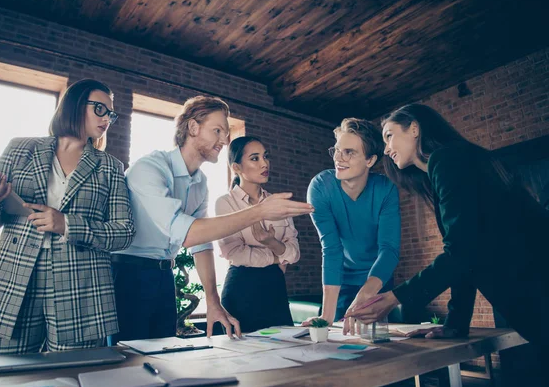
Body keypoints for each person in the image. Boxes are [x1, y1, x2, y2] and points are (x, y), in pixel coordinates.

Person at [348, 103, 549, 387]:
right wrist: (455, 324)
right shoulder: (444, 168)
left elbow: (461, 253)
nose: (386, 148)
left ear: (415, 128)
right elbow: (467, 257)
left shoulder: (447, 159)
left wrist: (395, 297)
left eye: (390, 135)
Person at [112, 96, 313, 341]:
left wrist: (213, 302)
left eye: (226, 133)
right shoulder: (150, 168)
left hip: (163, 277)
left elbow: (202, 245)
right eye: (217, 130)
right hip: (128, 275)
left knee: (158, 357)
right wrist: (260, 212)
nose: (224, 140)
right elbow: (187, 234)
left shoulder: (200, 182)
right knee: (126, 363)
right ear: (193, 128)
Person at [0, 79, 136, 355]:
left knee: (73, 378)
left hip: (81, 288)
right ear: (74, 105)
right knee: (0, 374)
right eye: (100, 109)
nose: (107, 118)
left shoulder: (110, 167)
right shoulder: (19, 149)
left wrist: (67, 224)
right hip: (13, 280)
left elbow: (124, 232)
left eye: (111, 113)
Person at [301, 118, 401, 332]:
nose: (339, 158)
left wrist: (367, 292)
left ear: (370, 160)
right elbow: (331, 249)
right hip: (341, 281)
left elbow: (389, 250)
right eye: (337, 150)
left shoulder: (386, 190)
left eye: (349, 152)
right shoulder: (320, 188)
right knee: (338, 345)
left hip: (378, 279)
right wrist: (326, 316)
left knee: (380, 348)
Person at [216, 136, 300, 333]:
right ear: (236, 168)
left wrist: (270, 241)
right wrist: (277, 256)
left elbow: (294, 253)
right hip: (241, 288)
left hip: (275, 287)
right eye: (255, 158)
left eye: (265, 156)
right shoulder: (225, 203)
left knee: (284, 354)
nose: (265, 163)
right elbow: (234, 252)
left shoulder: (277, 202)